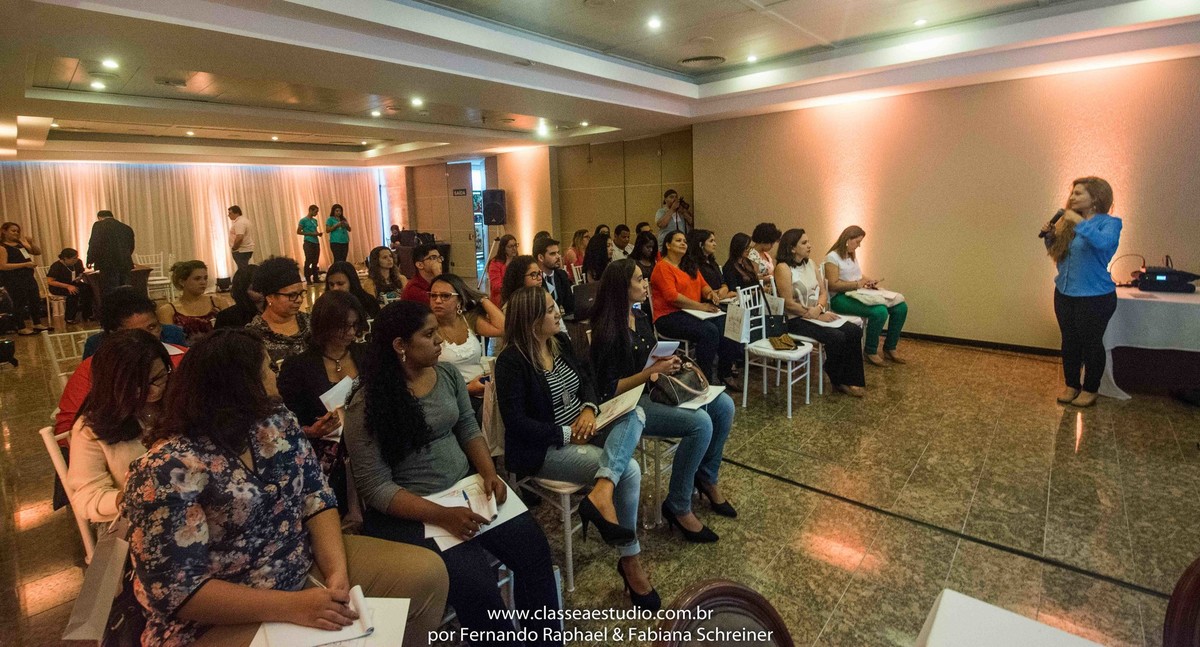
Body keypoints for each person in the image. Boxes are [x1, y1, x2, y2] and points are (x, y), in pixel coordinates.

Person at [124, 328, 449, 646]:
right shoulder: (167, 469)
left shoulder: (274, 419)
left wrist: (337, 573)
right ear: (239, 386)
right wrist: (294, 607)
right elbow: (179, 591)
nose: (275, 371)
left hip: (298, 560)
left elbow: (316, 495)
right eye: (268, 366)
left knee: (427, 574)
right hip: (220, 613)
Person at [343, 301, 560, 643]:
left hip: (464, 490)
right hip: (413, 511)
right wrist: (441, 515)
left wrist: (489, 472)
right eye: (429, 335)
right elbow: (376, 487)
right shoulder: (366, 404)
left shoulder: (444, 375)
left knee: (534, 551)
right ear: (400, 345)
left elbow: (467, 427)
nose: (439, 341)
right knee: (478, 587)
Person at [495, 286, 659, 610]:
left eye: (555, 305)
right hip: (546, 447)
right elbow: (517, 424)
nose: (559, 312)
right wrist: (569, 434)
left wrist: (588, 408)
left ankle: (600, 493)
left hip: (585, 425)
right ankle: (630, 561)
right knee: (630, 469)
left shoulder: (560, 343)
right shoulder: (511, 362)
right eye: (550, 309)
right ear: (530, 321)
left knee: (635, 413)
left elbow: (587, 379)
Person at [591, 259, 737, 544]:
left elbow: (649, 360)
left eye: (644, 278)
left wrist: (666, 362)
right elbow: (608, 390)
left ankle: (706, 477)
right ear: (622, 287)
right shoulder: (607, 329)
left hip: (652, 388)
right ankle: (679, 504)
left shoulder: (640, 316)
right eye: (638, 280)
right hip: (627, 405)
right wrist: (650, 372)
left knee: (723, 407)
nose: (645, 284)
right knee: (701, 424)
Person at [66, 329, 171, 523]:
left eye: (159, 377)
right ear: (115, 385)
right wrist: (129, 497)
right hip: (133, 519)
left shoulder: (178, 401)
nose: (155, 391)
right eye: (140, 385)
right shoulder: (94, 426)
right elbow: (87, 497)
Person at [278, 290, 367, 511]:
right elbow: (286, 420)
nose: (351, 332)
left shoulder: (366, 354)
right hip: (325, 454)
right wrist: (312, 430)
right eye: (343, 326)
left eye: (355, 325)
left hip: (368, 442)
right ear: (325, 325)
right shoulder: (299, 366)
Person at [57, 288, 188, 436]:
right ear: (115, 334)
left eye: (152, 327)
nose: (148, 337)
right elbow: (68, 427)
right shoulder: (94, 367)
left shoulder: (185, 357)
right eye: (136, 333)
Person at [1041, 176, 1122, 408]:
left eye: (1079, 193)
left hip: (1095, 296)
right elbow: (1061, 258)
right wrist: (1050, 238)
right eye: (1072, 193)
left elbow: (1104, 245)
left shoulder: (1110, 224)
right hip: (1065, 293)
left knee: (1091, 343)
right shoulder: (1068, 225)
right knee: (1069, 341)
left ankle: (1091, 388)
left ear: (1095, 198)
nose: (1072, 197)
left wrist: (1079, 221)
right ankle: (1072, 385)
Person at [775, 229, 866, 397]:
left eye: (808, 241)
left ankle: (850, 379)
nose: (809, 245)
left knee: (854, 330)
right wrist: (813, 313)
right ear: (792, 248)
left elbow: (823, 292)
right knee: (836, 337)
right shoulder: (783, 268)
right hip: (795, 319)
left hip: (815, 313)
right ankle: (837, 378)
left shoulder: (810, 264)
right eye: (804, 243)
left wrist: (819, 309)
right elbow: (787, 303)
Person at [651, 231, 741, 389]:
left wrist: (710, 293)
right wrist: (702, 306)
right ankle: (704, 378)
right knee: (709, 331)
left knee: (727, 324)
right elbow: (672, 297)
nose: (683, 243)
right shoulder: (662, 267)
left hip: (691, 312)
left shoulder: (688, 264)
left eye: (685, 241)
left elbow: (702, 284)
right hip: (669, 316)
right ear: (668, 245)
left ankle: (725, 372)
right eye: (678, 240)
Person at [825, 225, 909, 367]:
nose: (859, 246)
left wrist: (868, 281)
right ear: (847, 239)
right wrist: (857, 284)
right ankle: (870, 351)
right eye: (857, 242)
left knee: (901, 307)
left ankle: (890, 347)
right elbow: (833, 285)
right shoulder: (832, 257)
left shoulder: (851, 255)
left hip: (857, 293)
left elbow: (857, 275)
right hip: (840, 298)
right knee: (880, 312)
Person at [429, 273, 504, 417]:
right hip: (451, 395)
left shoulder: (467, 319)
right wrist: (468, 389)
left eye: (445, 296)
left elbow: (503, 327)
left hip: (482, 387)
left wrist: (480, 298)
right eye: (433, 296)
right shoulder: (428, 328)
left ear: (459, 300)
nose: (438, 300)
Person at [247, 256, 310, 368]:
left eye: (301, 293)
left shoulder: (311, 322)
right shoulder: (253, 336)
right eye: (292, 295)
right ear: (270, 297)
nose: (299, 299)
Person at [157, 260, 226, 343]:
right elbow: (171, 344)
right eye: (197, 279)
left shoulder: (218, 302)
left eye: (205, 278)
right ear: (182, 282)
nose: (203, 282)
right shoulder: (168, 310)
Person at [0, 222, 46, 335]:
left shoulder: (20, 244)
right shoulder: (2, 247)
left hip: (28, 277)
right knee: (19, 302)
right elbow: (3, 266)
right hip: (13, 278)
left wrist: (30, 242)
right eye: (13, 231)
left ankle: (37, 323)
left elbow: (37, 252)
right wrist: (24, 265)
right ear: (4, 231)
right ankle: (21, 327)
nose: (16, 233)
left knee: (35, 299)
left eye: (17, 231)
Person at [86, 209, 135, 294]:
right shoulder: (126, 227)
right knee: (125, 289)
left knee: (110, 290)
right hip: (125, 263)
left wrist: (90, 259)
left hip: (107, 264)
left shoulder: (99, 225)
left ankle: (112, 306)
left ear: (100, 217)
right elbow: (131, 246)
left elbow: (94, 243)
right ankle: (124, 306)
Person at [45, 247, 94, 323]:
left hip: (73, 283)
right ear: (65, 258)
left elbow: (81, 272)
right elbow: (50, 281)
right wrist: (67, 286)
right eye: (73, 258)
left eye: (76, 257)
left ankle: (87, 314)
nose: (76, 260)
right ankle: (70, 318)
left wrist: (79, 277)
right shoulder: (56, 266)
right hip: (58, 285)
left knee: (87, 289)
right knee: (73, 293)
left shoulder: (78, 263)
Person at [534, 236, 573, 323]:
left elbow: (570, 305)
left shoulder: (561, 275)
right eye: (552, 254)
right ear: (541, 257)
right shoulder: (535, 279)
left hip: (561, 321)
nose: (558, 257)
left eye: (558, 253)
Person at [686, 229, 733, 301]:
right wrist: (723, 294)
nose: (715, 244)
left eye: (714, 241)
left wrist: (725, 288)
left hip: (719, 298)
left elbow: (722, 281)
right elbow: (699, 288)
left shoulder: (712, 262)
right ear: (701, 244)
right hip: (706, 300)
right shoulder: (694, 264)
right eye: (711, 241)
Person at [214, 264, 261, 329]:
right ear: (243, 290)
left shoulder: (273, 312)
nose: (262, 292)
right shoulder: (226, 317)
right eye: (256, 289)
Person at [486, 234, 517, 303]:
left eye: (515, 245)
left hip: (516, 297)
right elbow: (496, 286)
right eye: (510, 246)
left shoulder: (518, 261)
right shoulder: (495, 263)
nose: (514, 249)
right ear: (503, 248)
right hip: (500, 299)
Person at [297, 204, 323, 285]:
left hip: (316, 242)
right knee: (309, 260)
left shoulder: (315, 221)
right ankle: (307, 278)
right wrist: (311, 234)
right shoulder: (303, 220)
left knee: (315, 261)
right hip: (308, 242)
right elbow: (298, 231)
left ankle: (315, 278)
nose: (316, 213)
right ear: (310, 210)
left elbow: (315, 231)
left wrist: (318, 234)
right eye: (315, 211)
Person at [227, 205, 255, 270]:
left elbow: (239, 237)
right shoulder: (244, 220)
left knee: (243, 271)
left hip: (241, 250)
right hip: (245, 249)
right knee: (244, 269)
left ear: (236, 213)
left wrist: (234, 248)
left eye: (230, 213)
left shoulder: (239, 223)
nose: (228, 215)